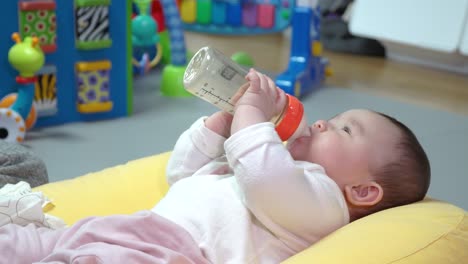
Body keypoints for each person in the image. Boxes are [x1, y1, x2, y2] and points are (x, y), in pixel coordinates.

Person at [0, 69, 430, 263]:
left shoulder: (323, 204)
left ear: (363, 191)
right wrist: (222, 123)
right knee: (23, 242)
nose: (321, 122)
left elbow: (263, 175)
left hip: (169, 254)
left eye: (344, 129)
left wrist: (252, 116)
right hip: (127, 228)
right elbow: (181, 173)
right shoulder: (262, 158)